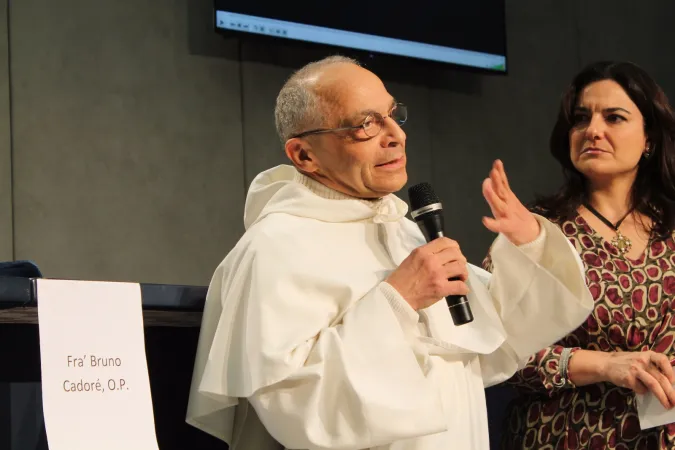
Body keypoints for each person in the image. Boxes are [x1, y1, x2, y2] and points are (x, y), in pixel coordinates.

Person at [185, 55, 593, 450]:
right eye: (365, 124)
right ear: (304, 156)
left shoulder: (404, 231)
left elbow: (497, 346)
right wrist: (397, 301)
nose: (396, 134)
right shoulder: (273, 248)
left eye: (392, 115)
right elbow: (296, 406)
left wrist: (531, 245)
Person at [483, 61, 675, 449]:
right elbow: (496, 352)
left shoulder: (670, 229)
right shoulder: (541, 230)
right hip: (565, 434)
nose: (593, 130)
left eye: (614, 117)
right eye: (581, 118)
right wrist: (605, 365)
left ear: (649, 138)